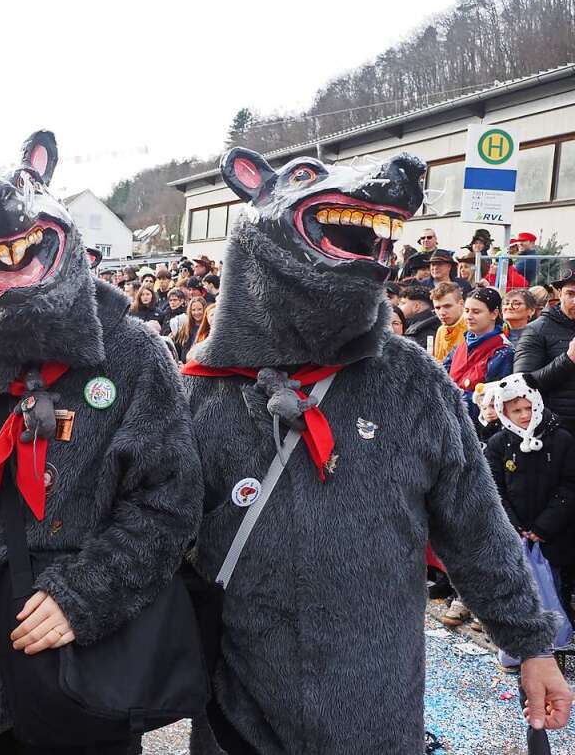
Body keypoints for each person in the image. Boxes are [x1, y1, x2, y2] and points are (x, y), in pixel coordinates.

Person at [185, 146, 571, 755]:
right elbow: (152, 530)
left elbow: (475, 525)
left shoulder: (412, 381)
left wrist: (529, 642)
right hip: (237, 713)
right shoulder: (204, 394)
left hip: (376, 712)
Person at [0, 130, 203, 754]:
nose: (9, 261)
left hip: (79, 665)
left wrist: (82, 594)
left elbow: (169, 502)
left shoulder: (133, 353)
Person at [486, 374, 575, 668]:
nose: (524, 416)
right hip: (517, 535)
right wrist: (514, 525)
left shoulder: (560, 439)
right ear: (504, 412)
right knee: (520, 595)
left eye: (527, 408)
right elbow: (494, 487)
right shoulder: (500, 444)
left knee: (555, 591)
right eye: (516, 411)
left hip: (555, 535)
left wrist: (543, 526)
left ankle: (554, 652)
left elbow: (569, 485)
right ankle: (522, 649)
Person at [515, 268, 575, 435]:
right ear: (559, 293)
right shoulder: (537, 330)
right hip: (557, 433)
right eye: (570, 294)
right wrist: (568, 359)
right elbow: (522, 384)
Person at [444, 287, 513, 422]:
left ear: (494, 314)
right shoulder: (461, 346)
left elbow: (494, 398)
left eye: (476, 312)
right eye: (467, 311)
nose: (469, 317)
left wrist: (452, 396)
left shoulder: (503, 352)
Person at [431, 283, 466, 362]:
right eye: (437, 308)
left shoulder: (473, 328)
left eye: (447, 306)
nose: (442, 312)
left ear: (461, 304)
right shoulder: (441, 330)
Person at [400, 285, 438, 352]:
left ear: (416, 306)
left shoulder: (426, 332)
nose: (399, 307)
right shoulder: (410, 327)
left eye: (403, 303)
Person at [175, 295, 207, 363]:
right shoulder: (184, 328)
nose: (196, 313)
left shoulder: (209, 328)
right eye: (193, 310)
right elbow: (177, 349)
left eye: (199, 309)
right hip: (185, 366)